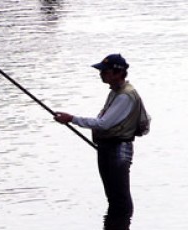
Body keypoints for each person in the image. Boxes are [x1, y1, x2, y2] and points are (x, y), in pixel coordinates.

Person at [54, 54, 147, 217]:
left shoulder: (125, 95)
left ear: (118, 73)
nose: (101, 74)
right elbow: (103, 120)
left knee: (119, 197)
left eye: (105, 71)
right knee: (113, 196)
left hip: (119, 150)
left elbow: (103, 123)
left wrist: (72, 119)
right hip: (107, 148)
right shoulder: (115, 92)